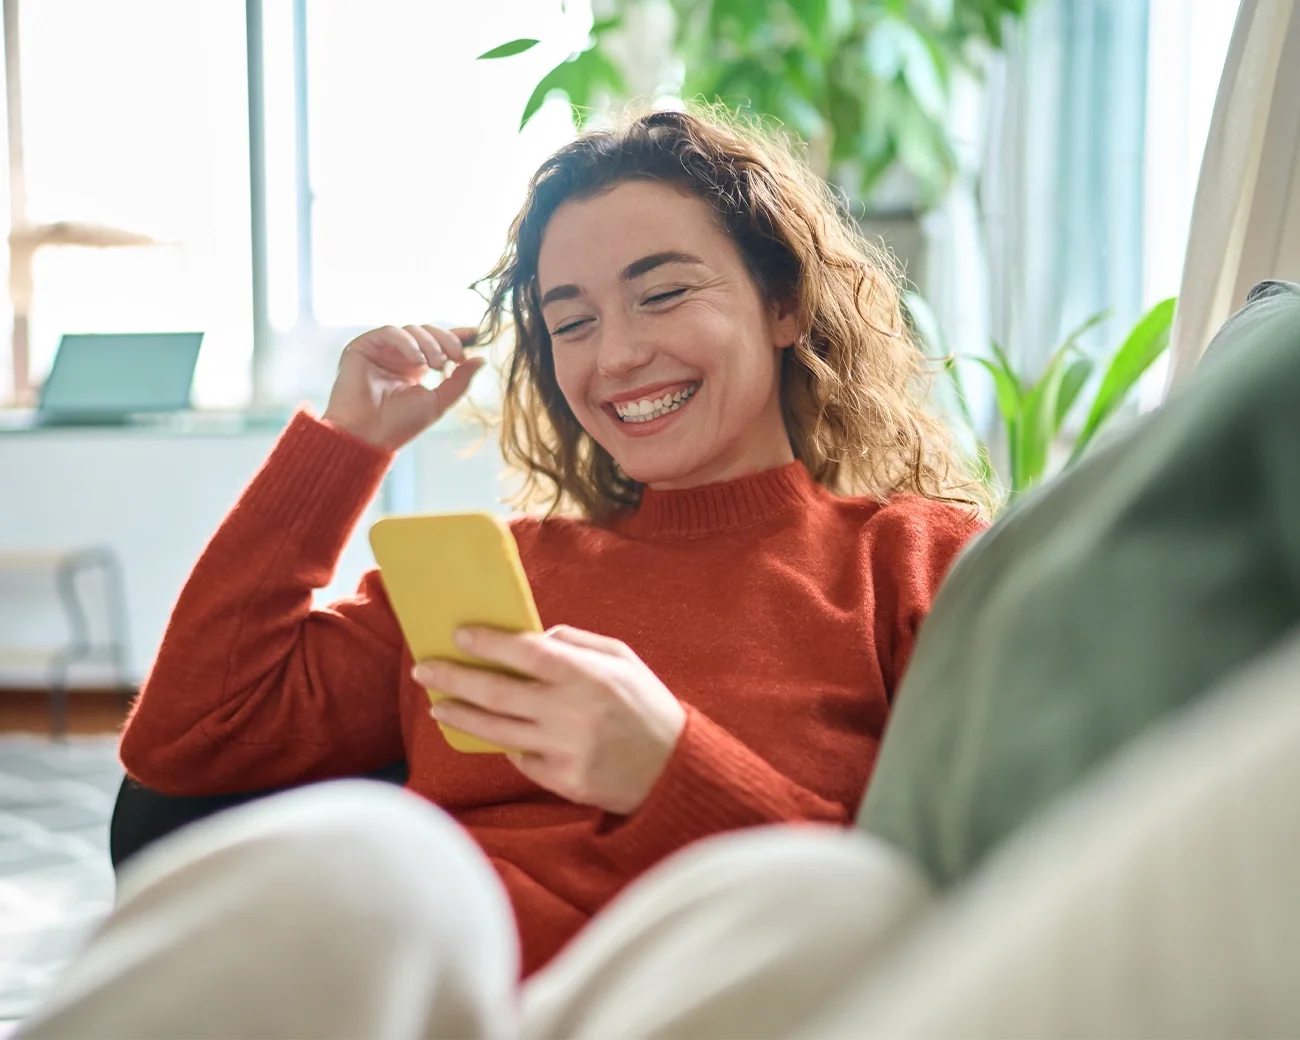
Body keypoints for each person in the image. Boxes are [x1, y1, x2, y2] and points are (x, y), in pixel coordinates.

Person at [20, 107, 984, 1038]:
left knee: (840, 901)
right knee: (378, 852)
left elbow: (942, 906)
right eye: (571, 322)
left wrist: (670, 771)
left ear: (785, 304)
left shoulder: (912, 561)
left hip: (702, 1000)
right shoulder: (498, 573)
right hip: (445, 1003)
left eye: (663, 293)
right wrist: (346, 446)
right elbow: (187, 740)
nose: (618, 354)